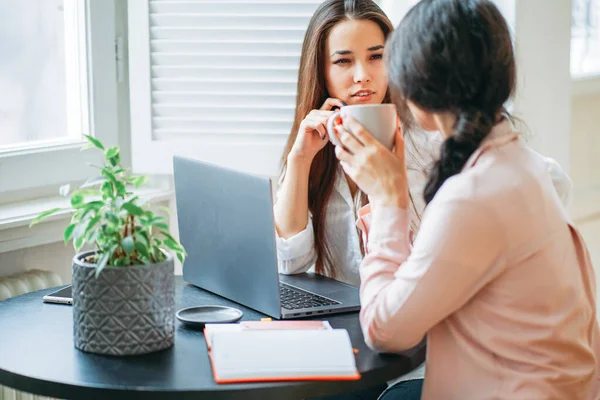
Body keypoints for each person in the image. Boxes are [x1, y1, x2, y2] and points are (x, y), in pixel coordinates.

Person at [275, 1, 572, 399]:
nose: (362, 76)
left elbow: (552, 179)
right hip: (352, 343)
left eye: (377, 57)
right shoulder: (316, 147)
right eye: (344, 62)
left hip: (418, 346)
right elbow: (290, 261)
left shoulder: (434, 140)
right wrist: (299, 161)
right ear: (322, 71)